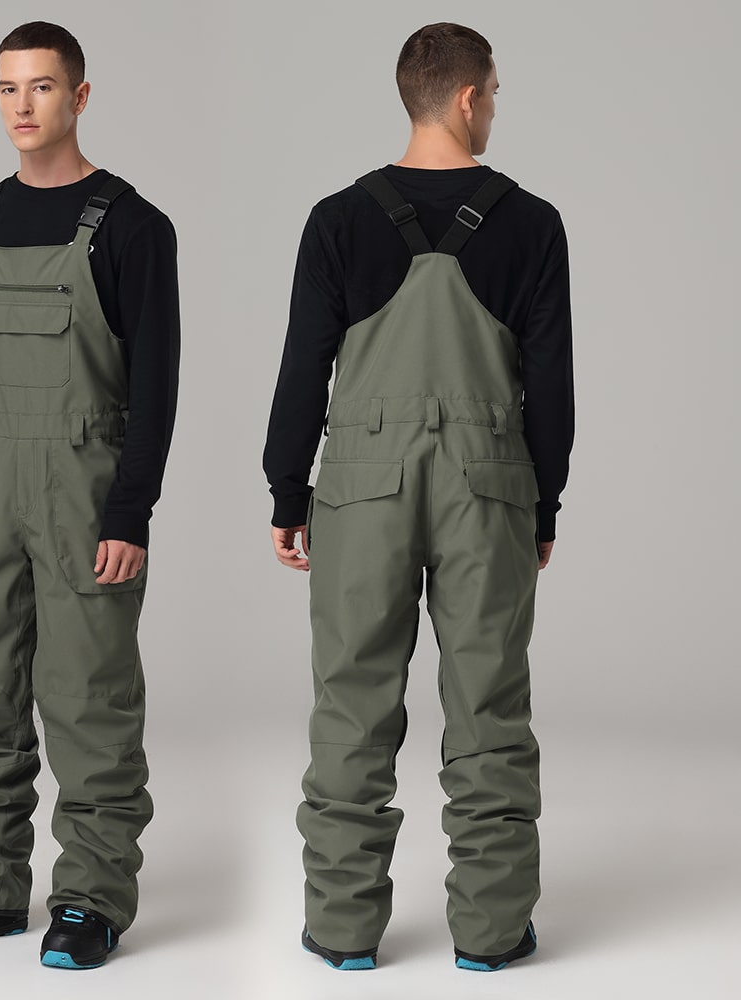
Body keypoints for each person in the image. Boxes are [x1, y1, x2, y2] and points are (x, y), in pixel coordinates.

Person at [263, 22, 574, 973]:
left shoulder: (337, 219)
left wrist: (287, 491)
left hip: (361, 487)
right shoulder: (532, 223)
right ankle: (490, 933)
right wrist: (544, 505)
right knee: (488, 703)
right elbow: (551, 388)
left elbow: (303, 371)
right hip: (489, 485)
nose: (494, 110)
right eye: (495, 94)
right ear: (470, 97)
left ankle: (343, 929)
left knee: (351, 702)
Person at [0, 21, 179, 971]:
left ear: (80, 96)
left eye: (43, 87)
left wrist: (130, 510)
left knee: (87, 694)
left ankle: (91, 898)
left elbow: (155, 386)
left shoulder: (133, 227)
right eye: (7, 88)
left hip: (83, 489)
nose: (22, 106)